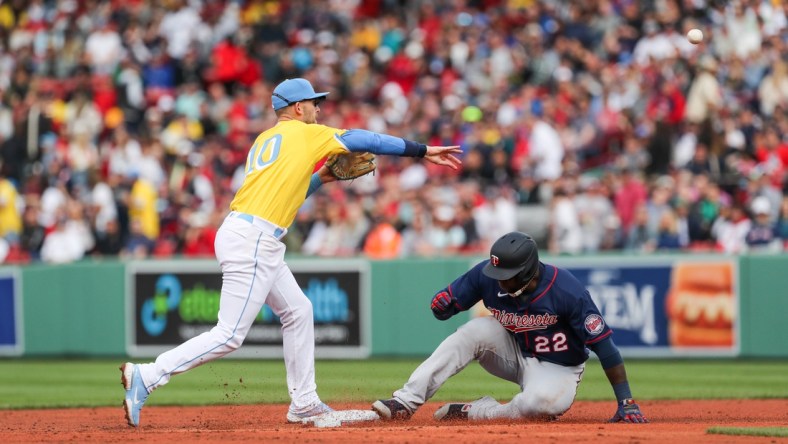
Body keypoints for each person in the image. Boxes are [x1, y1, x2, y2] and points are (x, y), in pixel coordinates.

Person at [120, 78, 462, 427]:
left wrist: (322, 178)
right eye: (314, 103)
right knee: (229, 334)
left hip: (249, 233)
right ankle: (148, 376)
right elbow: (365, 139)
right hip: (253, 239)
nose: (319, 109)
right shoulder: (305, 133)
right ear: (298, 108)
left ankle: (304, 402)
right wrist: (422, 150)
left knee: (299, 311)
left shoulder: (266, 139)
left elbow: (288, 193)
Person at [371, 231, 647, 423]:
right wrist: (442, 304)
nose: (499, 281)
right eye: (497, 274)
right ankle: (405, 402)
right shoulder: (487, 275)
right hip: (512, 351)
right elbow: (448, 306)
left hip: (558, 366)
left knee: (541, 406)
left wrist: (626, 401)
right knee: (472, 332)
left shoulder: (567, 290)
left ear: (528, 272)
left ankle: (478, 412)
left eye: (507, 276)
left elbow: (605, 348)